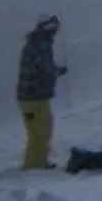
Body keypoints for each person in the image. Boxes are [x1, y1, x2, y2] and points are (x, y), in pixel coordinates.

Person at [16, 14, 66, 170]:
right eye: (50, 27)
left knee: (44, 129)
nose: (54, 31)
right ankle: (32, 166)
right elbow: (44, 69)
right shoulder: (39, 45)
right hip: (32, 99)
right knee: (39, 133)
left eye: (55, 27)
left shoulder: (39, 43)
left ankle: (39, 161)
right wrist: (57, 71)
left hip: (36, 98)